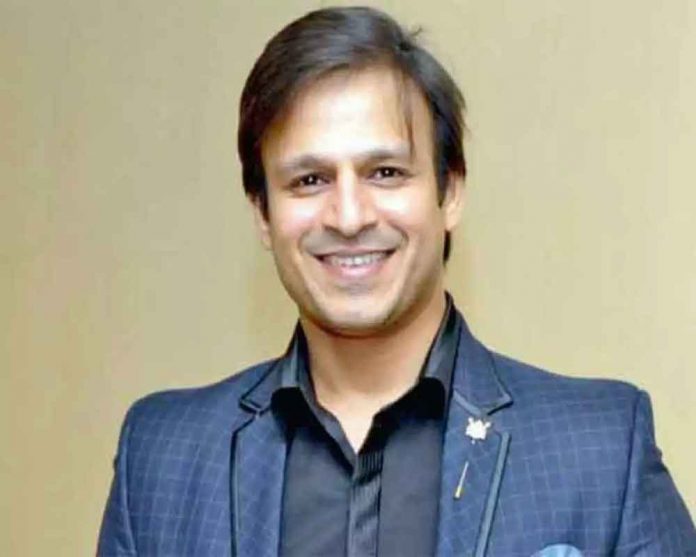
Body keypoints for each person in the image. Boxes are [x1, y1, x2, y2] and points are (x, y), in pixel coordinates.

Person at [97, 7, 695, 556]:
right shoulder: (163, 456)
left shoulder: (599, 450)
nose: (348, 216)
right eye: (309, 180)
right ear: (262, 213)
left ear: (450, 191)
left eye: (384, 172)